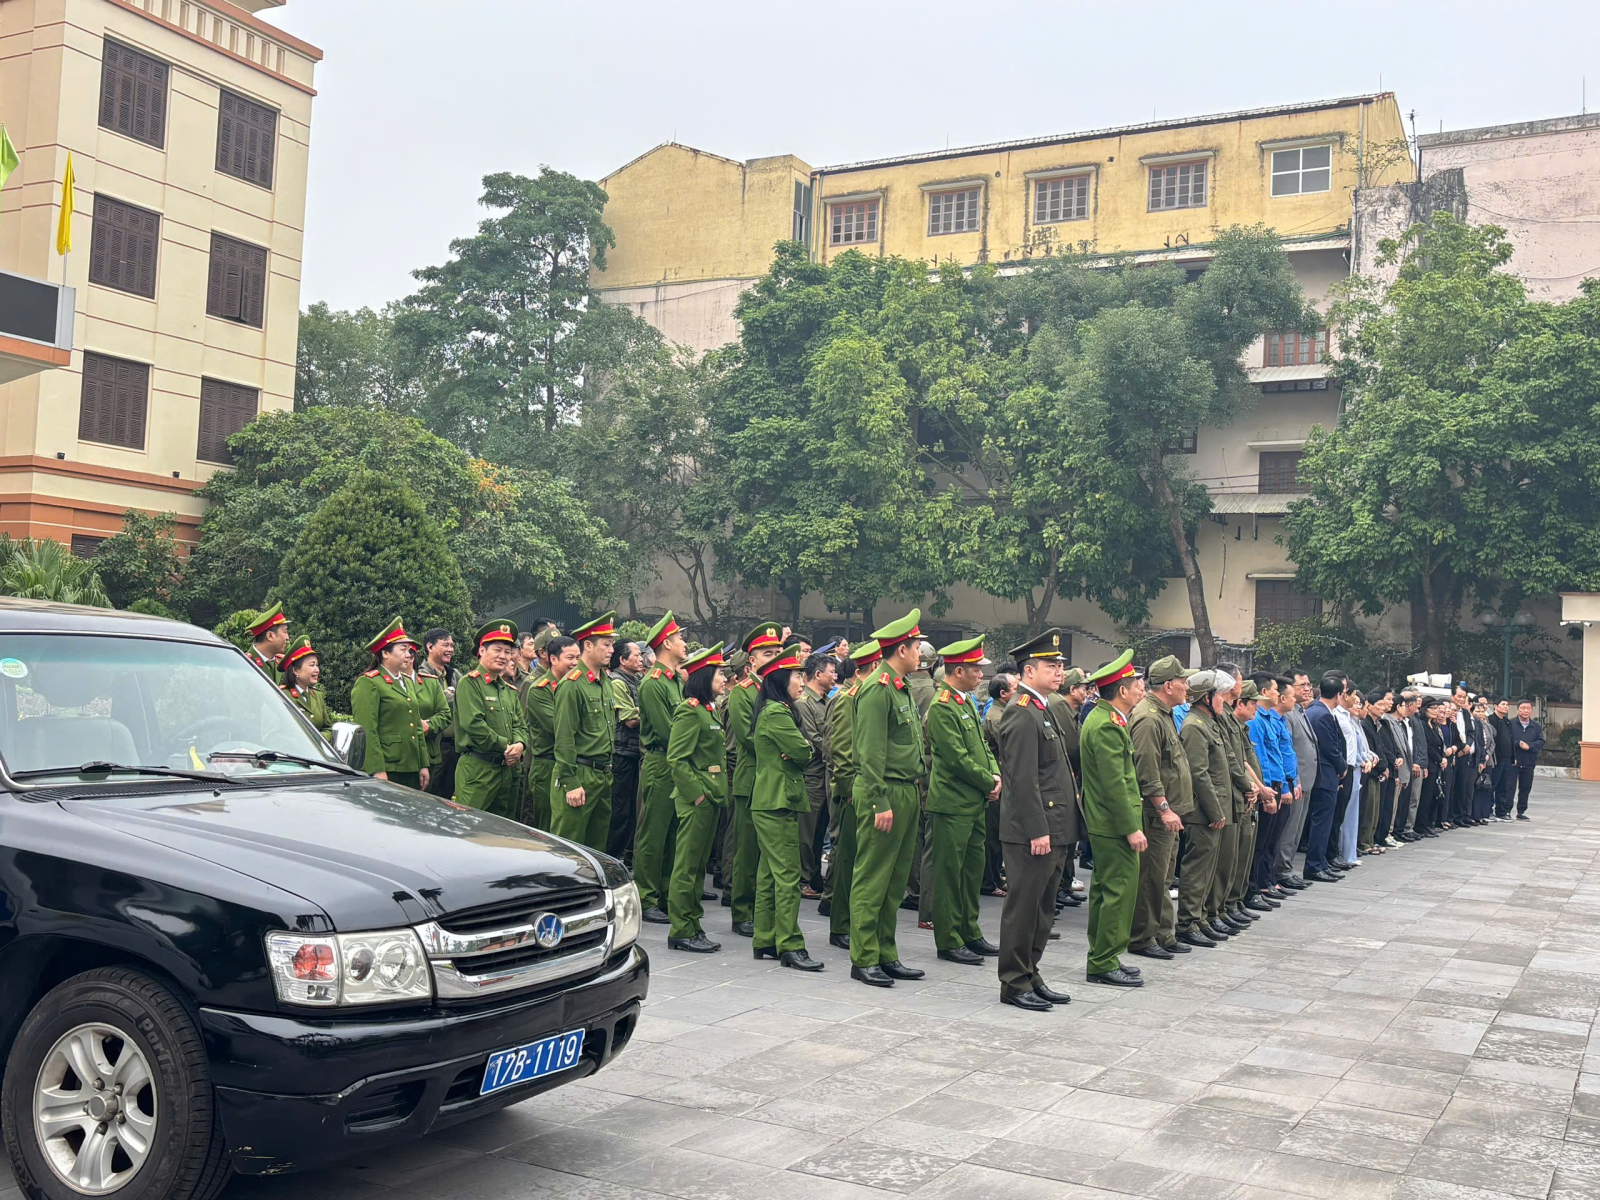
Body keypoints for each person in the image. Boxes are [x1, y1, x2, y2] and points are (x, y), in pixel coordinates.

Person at [994, 629, 1079, 1010]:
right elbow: (1022, 780)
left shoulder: (1044, 708)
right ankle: (1013, 981)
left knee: (1043, 910)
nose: (1059, 671)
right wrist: (1037, 830)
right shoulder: (1022, 714)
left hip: (1055, 827)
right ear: (1029, 671)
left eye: (1061, 665)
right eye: (1051, 665)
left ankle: (1030, 972)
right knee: (1024, 909)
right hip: (1034, 831)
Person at [848, 609, 929, 989]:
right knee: (873, 877)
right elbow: (869, 752)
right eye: (916, 647)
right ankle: (864, 957)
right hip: (885, 791)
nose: (921, 654)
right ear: (901, 649)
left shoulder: (901, 686)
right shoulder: (877, 689)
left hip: (907, 789)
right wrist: (880, 801)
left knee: (895, 880)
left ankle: (886, 952)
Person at [925, 636, 1002, 967]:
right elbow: (956, 758)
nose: (981, 675)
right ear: (958, 671)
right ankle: (949, 938)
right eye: (976, 669)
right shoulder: (942, 707)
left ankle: (969, 930)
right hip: (952, 802)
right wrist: (988, 781)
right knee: (949, 873)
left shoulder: (967, 702)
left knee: (972, 871)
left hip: (973, 800)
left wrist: (995, 774)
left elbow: (982, 747)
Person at [750, 645, 823, 971]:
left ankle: (765, 937)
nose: (800, 681)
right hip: (777, 801)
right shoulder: (778, 713)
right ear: (780, 679)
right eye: (796, 675)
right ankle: (790, 944)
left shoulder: (773, 710)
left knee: (769, 874)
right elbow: (802, 750)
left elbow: (797, 749)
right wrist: (800, 748)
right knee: (788, 876)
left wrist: (797, 749)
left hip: (774, 799)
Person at [1079, 651, 1148, 987]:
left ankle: (1104, 956)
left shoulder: (1107, 719)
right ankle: (1104, 961)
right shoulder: (1107, 725)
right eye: (1138, 685)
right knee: (1118, 892)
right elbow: (1114, 783)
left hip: (1107, 822)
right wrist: (1131, 828)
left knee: (1106, 891)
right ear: (1122, 690)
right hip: (1112, 824)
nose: (1142, 691)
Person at [1126, 654, 1194, 961]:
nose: (1186, 687)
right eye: (1182, 682)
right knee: (1153, 877)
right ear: (1168, 686)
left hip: (1170, 812)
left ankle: (1163, 933)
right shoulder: (1149, 718)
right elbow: (1147, 770)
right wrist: (1164, 808)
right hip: (1156, 814)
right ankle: (1142, 937)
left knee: (1164, 877)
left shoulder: (1164, 713)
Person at [665, 643, 730, 954]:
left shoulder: (708, 709)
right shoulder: (689, 711)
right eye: (719, 674)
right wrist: (698, 796)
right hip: (696, 800)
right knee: (687, 866)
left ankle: (693, 924)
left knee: (698, 866)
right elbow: (676, 759)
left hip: (710, 796)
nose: (725, 679)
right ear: (705, 676)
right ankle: (681, 928)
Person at [726, 622, 787, 937]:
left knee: (771, 852)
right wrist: (783, 750)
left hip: (774, 780)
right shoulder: (743, 692)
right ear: (751, 661)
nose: (774, 657)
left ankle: (766, 912)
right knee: (748, 851)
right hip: (752, 779)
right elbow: (748, 737)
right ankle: (742, 911)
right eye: (767, 653)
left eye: (777, 652)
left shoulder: (777, 688)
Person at [820, 641, 880, 949]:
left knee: (858, 859)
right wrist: (848, 792)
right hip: (850, 794)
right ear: (867, 669)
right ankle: (840, 923)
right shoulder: (847, 700)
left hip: (861, 790)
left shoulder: (865, 696)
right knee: (845, 859)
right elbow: (840, 751)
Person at [633, 613, 687, 921]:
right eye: (679, 638)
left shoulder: (675, 680)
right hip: (660, 762)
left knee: (673, 833)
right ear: (666, 643)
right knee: (653, 832)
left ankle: (666, 893)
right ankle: (646, 894)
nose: (684, 643)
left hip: (676, 762)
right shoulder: (653, 684)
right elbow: (669, 731)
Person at [550, 612, 618, 850]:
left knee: (595, 848)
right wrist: (570, 781)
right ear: (587, 646)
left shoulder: (605, 683)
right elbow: (565, 737)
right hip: (580, 772)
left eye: (613, 644)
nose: (611, 650)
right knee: (568, 849)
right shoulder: (572, 684)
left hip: (602, 774)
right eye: (606, 644)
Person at [453, 620, 528, 817]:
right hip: (479, 770)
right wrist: (507, 746)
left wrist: (520, 744)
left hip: (507, 771)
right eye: (497, 650)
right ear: (482, 651)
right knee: (470, 829)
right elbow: (474, 725)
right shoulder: (470, 684)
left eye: (507, 651)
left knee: (502, 833)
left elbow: (520, 724)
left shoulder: (509, 690)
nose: (503, 656)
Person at [1176, 672, 1228, 947]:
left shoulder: (1207, 723)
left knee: (1208, 867)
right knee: (1197, 869)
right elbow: (1199, 773)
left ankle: (1199, 919)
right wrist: (1215, 810)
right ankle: (1187, 922)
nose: (1223, 700)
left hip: (1213, 808)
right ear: (1205, 698)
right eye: (1219, 695)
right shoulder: (1195, 726)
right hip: (1202, 811)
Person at [350, 617, 429, 790]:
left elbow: (416, 725)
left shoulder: (407, 682)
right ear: (385, 653)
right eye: (403, 649)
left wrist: (423, 763)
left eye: (409, 650)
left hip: (411, 766)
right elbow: (367, 729)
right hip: (389, 767)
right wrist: (376, 769)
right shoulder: (369, 682)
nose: (409, 654)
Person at [521, 635, 578, 830]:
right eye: (570, 658)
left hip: (570, 762)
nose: (575, 663)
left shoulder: (575, 686)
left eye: (578, 658)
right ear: (553, 659)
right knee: (544, 828)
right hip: (547, 764)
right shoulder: (540, 689)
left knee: (566, 826)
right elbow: (561, 728)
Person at [796, 652, 837, 898]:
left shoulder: (825, 701)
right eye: (831, 671)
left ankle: (812, 875)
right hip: (811, 776)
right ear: (818, 674)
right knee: (806, 832)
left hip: (825, 776)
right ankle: (802, 879)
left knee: (819, 829)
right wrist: (836, 750)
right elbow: (814, 738)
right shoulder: (804, 704)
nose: (834, 676)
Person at [1302, 674, 1349, 881]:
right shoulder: (1321, 714)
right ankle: (1314, 865)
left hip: (1323, 773)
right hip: (1325, 773)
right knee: (1321, 821)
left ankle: (1321, 862)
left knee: (1323, 821)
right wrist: (1342, 766)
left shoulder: (1316, 711)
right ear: (1339, 694)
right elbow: (1330, 747)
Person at [1275, 671, 1318, 889]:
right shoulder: (1288, 715)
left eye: (1309, 684)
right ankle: (1282, 870)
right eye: (1302, 685)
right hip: (1294, 782)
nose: (1307, 688)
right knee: (1289, 829)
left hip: (1306, 781)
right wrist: (1295, 779)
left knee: (1297, 828)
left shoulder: (1301, 711)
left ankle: (1287, 867)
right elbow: (1288, 750)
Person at [605, 639, 645, 865]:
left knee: (631, 809)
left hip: (633, 752)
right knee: (621, 812)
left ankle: (622, 858)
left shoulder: (635, 680)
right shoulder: (618, 682)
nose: (641, 659)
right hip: (622, 754)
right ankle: (610, 859)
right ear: (622, 659)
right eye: (637, 655)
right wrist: (649, 708)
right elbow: (630, 719)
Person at [981, 670, 1017, 898]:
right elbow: (1008, 749)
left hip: (1002, 777)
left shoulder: (1003, 713)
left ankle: (995, 877)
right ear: (1003, 694)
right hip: (997, 778)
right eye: (1014, 689)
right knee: (993, 836)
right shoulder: (996, 717)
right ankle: (989, 881)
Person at [405, 633, 451, 793]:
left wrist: (429, 725)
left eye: (410, 654)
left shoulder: (429, 682)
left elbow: (445, 714)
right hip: (399, 757)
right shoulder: (380, 683)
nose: (407, 658)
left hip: (430, 751)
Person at [418, 629, 460, 798]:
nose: (450, 649)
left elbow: (466, 699)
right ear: (430, 646)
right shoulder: (420, 674)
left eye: (452, 645)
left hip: (454, 747)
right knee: (429, 794)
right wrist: (450, 697)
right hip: (434, 745)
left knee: (448, 796)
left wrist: (451, 695)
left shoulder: (454, 674)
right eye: (445, 645)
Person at [278, 635, 339, 734]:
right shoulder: (282, 696)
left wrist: (318, 741)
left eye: (317, 665)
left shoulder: (317, 696)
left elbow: (327, 728)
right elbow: (274, 734)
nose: (317, 670)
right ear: (296, 670)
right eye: (312, 665)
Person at [1510, 701, 1544, 819]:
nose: (1525, 711)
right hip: (1513, 761)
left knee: (1525, 787)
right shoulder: (1510, 723)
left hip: (1529, 762)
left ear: (1531, 710)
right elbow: (1506, 739)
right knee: (1510, 787)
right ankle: (1506, 810)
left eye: (1528, 708)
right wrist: (1518, 744)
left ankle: (1521, 811)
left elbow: (1541, 741)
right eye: (1523, 708)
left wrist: (1530, 746)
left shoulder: (1536, 726)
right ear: (1518, 709)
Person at [1489, 699, 1517, 820]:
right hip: (1496, 758)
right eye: (1503, 704)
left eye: (1507, 705)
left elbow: (1510, 739)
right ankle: (1488, 810)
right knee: (1493, 784)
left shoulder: (1507, 721)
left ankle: (1501, 811)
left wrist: (1513, 757)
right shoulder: (1491, 720)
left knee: (1504, 786)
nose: (1506, 707)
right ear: (1495, 706)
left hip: (1507, 758)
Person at [246, 602, 289, 677]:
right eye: (285, 632)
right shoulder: (246, 664)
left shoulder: (283, 663)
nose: (287, 638)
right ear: (270, 636)